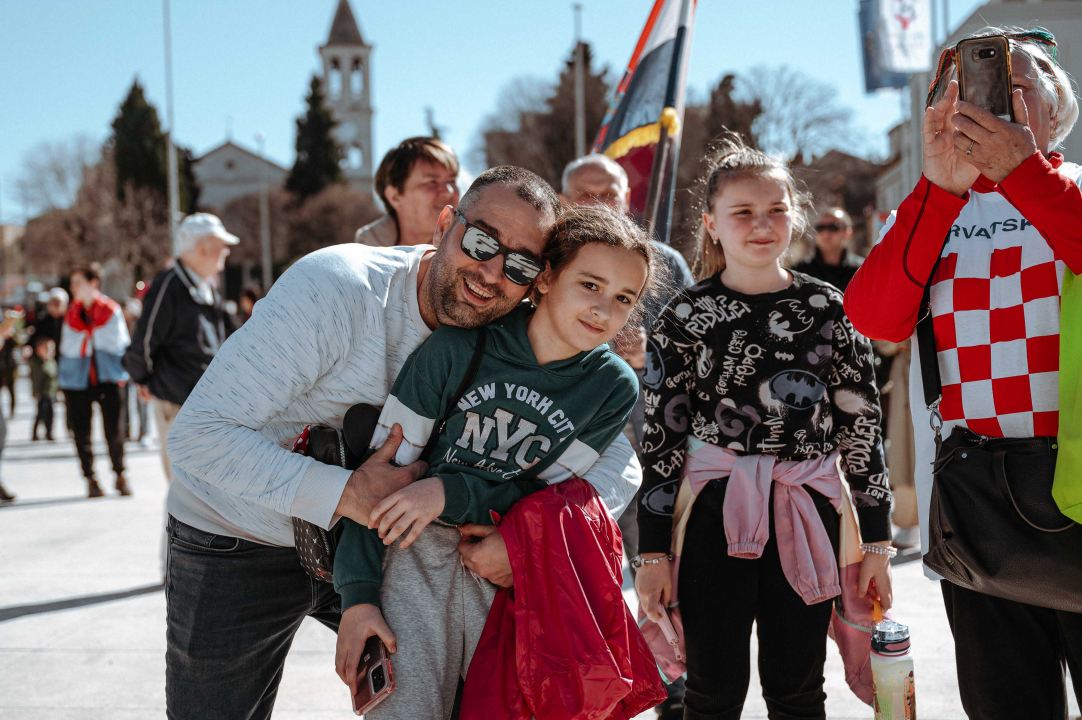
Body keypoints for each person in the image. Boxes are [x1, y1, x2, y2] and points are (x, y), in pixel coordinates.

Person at [163, 166, 642, 720]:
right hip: (240, 535)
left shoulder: (533, 334)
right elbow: (198, 436)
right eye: (480, 240)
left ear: (538, 278)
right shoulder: (337, 289)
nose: (491, 272)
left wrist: (529, 541)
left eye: (519, 263)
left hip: (390, 547)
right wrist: (349, 494)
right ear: (445, 225)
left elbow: (618, 464)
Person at [332, 204, 655, 714]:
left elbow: (541, 500)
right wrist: (358, 598)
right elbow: (379, 479)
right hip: (412, 559)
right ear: (546, 277)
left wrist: (451, 493)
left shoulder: (612, 386)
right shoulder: (458, 346)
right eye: (590, 285)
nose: (603, 310)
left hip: (504, 570)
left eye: (623, 298)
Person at [845, 28, 1082, 719]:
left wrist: (1023, 173)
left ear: (1056, 110)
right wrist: (940, 187)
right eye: (965, 91)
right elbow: (876, 319)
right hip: (978, 499)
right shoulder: (925, 210)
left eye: (1015, 87)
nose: (986, 102)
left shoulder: (1073, 186)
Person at [634, 135, 894, 720]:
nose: (762, 224)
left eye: (777, 209)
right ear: (712, 224)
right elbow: (662, 440)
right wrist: (651, 553)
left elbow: (861, 426)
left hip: (808, 511)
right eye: (743, 212)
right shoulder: (684, 315)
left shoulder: (830, 309)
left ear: (795, 216)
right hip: (709, 516)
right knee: (711, 693)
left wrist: (876, 539)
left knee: (797, 690)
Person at [561, 152, 695, 718]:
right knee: (585, 584)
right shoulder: (552, 264)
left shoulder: (663, 263)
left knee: (662, 575)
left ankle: (674, 687)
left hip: (657, 447)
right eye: (585, 195)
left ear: (628, 199)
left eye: (609, 194)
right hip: (575, 454)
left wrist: (650, 355)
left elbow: (700, 351)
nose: (599, 205)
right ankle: (597, 688)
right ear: (566, 204)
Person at [123, 212, 237, 483]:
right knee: (185, 489)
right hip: (177, 402)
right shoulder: (170, 285)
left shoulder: (207, 288)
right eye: (221, 244)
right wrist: (142, 378)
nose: (227, 251)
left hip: (207, 405)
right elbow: (145, 341)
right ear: (202, 248)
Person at [59, 265, 131, 498]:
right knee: (81, 430)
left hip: (109, 376)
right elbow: (67, 346)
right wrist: (90, 336)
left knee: (115, 429)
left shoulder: (111, 311)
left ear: (93, 284)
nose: (73, 288)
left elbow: (119, 343)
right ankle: (90, 477)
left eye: (78, 282)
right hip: (78, 378)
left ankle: (120, 474)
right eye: (72, 283)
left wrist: (90, 335)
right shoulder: (71, 314)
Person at [355, 136, 460, 247]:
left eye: (452, 180)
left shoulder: (474, 249)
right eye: (432, 182)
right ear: (394, 197)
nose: (449, 191)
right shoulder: (366, 252)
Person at [792, 207, 863, 292]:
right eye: (820, 228)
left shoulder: (862, 271)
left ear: (848, 233)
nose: (826, 233)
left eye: (833, 227)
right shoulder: (800, 272)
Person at [30, 337, 58, 441]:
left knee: (51, 414)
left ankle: (49, 433)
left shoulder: (52, 362)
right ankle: (34, 433)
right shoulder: (37, 364)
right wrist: (36, 392)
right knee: (40, 414)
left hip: (51, 393)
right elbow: (36, 380)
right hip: (42, 393)